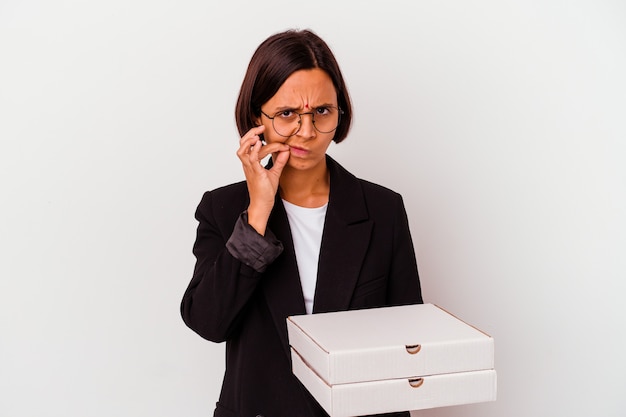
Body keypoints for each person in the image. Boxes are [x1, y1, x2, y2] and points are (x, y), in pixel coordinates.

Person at [181, 28, 423, 417]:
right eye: (287, 114)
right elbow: (209, 323)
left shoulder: (383, 210)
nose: (307, 132)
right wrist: (257, 212)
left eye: (322, 112)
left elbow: (407, 347)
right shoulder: (223, 209)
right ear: (255, 117)